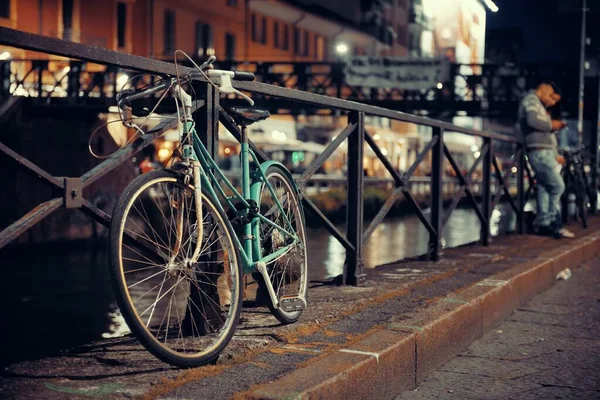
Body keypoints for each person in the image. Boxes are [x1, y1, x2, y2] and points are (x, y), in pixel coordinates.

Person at [518, 82, 566, 238]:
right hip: (538, 152)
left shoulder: (538, 105)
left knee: (545, 188)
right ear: (544, 90)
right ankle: (549, 221)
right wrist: (551, 124)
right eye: (551, 97)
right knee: (557, 186)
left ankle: (545, 223)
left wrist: (554, 152)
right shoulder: (531, 100)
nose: (552, 102)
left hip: (544, 152)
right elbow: (533, 120)